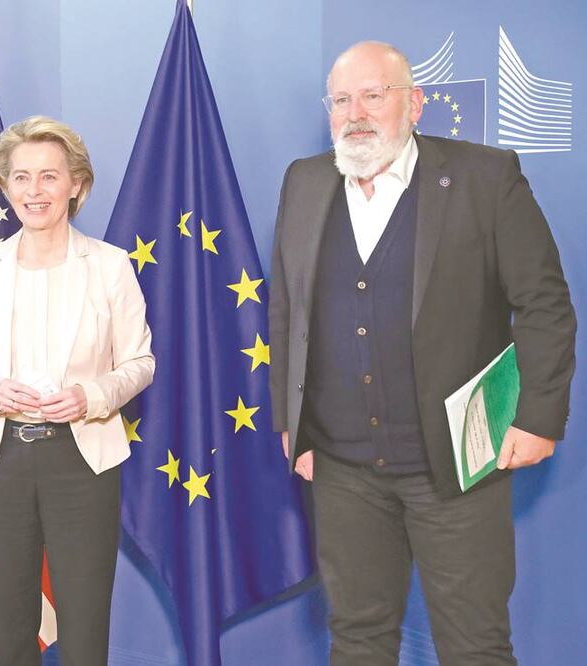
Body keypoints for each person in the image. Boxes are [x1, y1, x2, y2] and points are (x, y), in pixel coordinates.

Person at [270, 41, 576, 664]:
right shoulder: (304, 181)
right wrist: (290, 423)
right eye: (342, 99)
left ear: (413, 104)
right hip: (340, 466)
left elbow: (543, 303)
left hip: (458, 461)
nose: (356, 112)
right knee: (357, 637)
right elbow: (287, 311)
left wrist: (538, 416)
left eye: (374, 94)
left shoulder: (485, 177)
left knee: (473, 645)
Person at [0, 116, 155, 665]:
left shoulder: (109, 267)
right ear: (7, 187)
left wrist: (92, 396)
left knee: (85, 625)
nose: (34, 191)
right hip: (2, 460)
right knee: (10, 627)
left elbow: (139, 363)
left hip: (84, 460)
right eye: (21, 178)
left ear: (76, 185)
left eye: (48, 177)